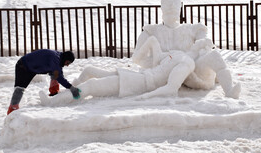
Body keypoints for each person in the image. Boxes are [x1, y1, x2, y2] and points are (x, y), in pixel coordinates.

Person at [132, 0, 241, 99]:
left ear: (179, 7)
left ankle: (229, 90)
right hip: (165, 73)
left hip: (192, 70)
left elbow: (203, 42)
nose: (171, 7)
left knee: (214, 55)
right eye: (168, 4)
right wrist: (158, 64)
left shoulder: (191, 29)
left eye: (174, 4)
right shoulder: (151, 31)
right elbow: (137, 58)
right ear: (162, 7)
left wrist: (204, 42)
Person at [39, 41, 195, 106]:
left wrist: (143, 97)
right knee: (89, 71)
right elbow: (154, 58)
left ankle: (52, 102)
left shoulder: (186, 63)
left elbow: (171, 89)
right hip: (136, 76)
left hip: (139, 83)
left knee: (91, 86)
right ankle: (65, 95)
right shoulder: (176, 55)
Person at [7, 49, 81, 115]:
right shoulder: (55, 59)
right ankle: (12, 111)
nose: (67, 65)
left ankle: (54, 92)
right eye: (67, 62)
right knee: (20, 88)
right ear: (65, 58)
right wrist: (71, 88)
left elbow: (58, 72)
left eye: (69, 64)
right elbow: (59, 77)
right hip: (23, 66)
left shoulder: (59, 57)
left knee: (54, 73)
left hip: (32, 68)